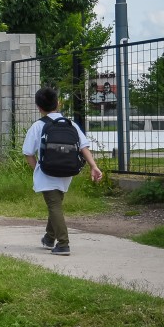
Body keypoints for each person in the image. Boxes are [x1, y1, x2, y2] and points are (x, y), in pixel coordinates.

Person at [22, 88, 103, 256]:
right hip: (67, 171)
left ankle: (63, 243)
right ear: (58, 103)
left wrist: (37, 168)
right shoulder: (70, 124)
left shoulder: (38, 126)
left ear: (38, 106)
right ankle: (49, 238)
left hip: (47, 171)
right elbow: (83, 146)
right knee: (56, 204)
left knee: (54, 205)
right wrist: (93, 166)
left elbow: (28, 153)